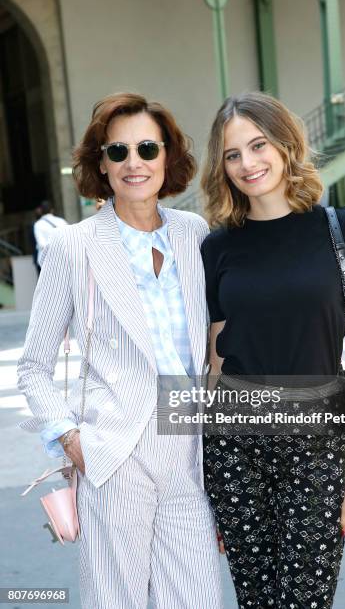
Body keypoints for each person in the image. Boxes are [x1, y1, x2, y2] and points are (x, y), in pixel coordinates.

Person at [18, 92, 222, 609]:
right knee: (116, 599)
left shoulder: (194, 234)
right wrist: (72, 442)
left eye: (148, 148)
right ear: (100, 165)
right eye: (118, 152)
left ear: (167, 158)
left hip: (189, 444)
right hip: (114, 449)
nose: (135, 162)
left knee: (196, 597)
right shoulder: (76, 246)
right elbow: (35, 367)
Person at [200, 91, 345, 608]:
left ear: (286, 144)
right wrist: (203, 480)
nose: (247, 163)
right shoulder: (217, 248)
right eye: (232, 154)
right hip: (234, 450)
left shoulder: (344, 231)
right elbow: (217, 365)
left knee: (303, 601)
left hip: (316, 449)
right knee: (256, 601)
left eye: (258, 145)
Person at [33, 200, 68, 267]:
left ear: (40, 211)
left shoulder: (38, 225)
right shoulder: (61, 221)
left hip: (47, 261)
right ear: (52, 210)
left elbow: (41, 244)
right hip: (63, 257)